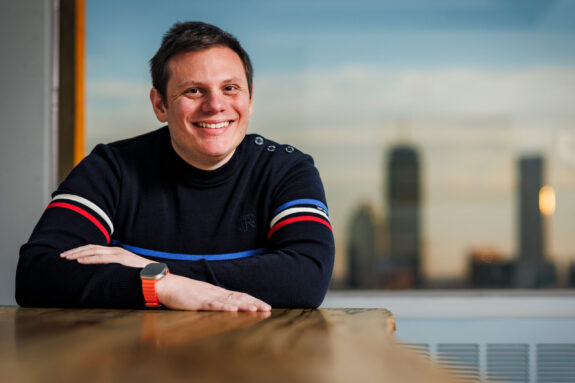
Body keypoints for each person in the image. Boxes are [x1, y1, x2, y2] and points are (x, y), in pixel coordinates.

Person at [15, 21, 335, 311]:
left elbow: (304, 278)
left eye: (230, 88)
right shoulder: (111, 169)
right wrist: (164, 286)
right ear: (160, 104)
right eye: (194, 90)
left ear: (250, 99)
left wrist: (147, 269)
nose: (215, 105)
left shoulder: (286, 169)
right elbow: (37, 273)